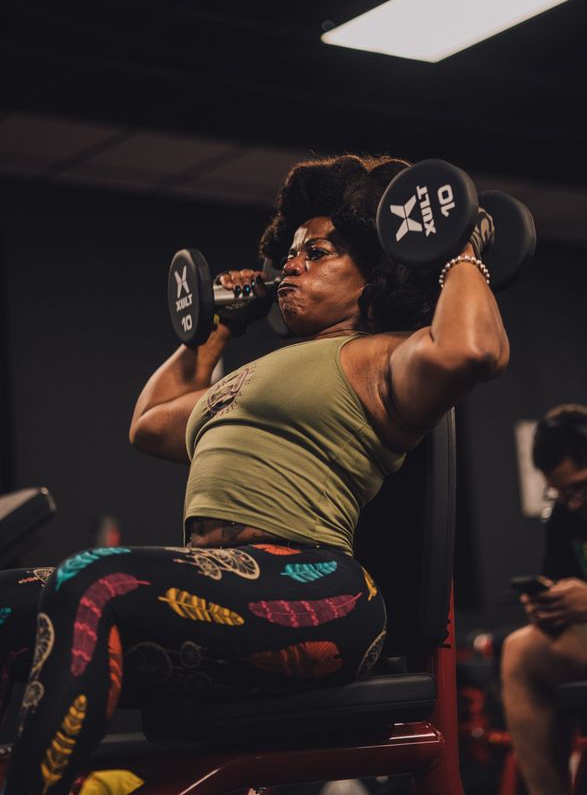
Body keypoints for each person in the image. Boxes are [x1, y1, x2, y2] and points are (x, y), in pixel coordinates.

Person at [0, 153, 508, 794]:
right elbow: (150, 421)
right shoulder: (251, 376)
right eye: (289, 253)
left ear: (374, 273)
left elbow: (474, 347)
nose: (290, 264)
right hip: (216, 592)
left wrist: (456, 248)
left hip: (319, 594)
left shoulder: (386, 357)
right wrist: (213, 329)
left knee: (92, 580)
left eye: (316, 252)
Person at [501, 403, 587, 795]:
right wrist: (546, 607)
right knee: (519, 650)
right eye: (559, 491)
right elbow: (555, 582)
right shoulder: (565, 514)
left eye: (579, 486)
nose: (572, 501)